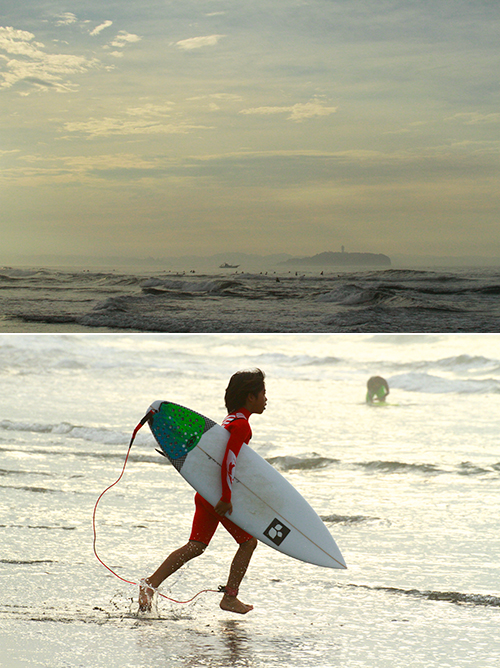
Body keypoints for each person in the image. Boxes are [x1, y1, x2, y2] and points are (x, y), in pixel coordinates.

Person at [138, 369, 266, 615]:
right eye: (263, 393)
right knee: (248, 542)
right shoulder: (241, 426)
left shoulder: (229, 421)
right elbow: (228, 459)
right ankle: (230, 597)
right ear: (250, 397)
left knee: (196, 545)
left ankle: (150, 584)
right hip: (217, 496)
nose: (266, 399)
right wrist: (226, 497)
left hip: (205, 491)